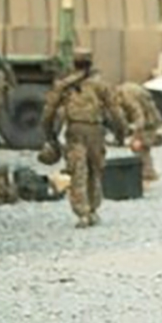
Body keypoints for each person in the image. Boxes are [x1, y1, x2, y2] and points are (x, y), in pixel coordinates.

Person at [41, 50, 128, 228]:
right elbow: (116, 112)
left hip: (75, 131)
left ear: (73, 64)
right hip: (96, 132)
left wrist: (50, 136)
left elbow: (48, 113)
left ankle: (82, 213)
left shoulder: (63, 86)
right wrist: (121, 133)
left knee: (78, 172)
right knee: (95, 171)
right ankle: (93, 210)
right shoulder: (101, 86)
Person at [117, 81, 162, 181]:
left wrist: (136, 136)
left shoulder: (126, 96)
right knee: (143, 148)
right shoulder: (125, 90)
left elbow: (139, 115)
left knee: (140, 146)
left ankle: (147, 174)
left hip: (148, 121)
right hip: (150, 119)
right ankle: (147, 172)